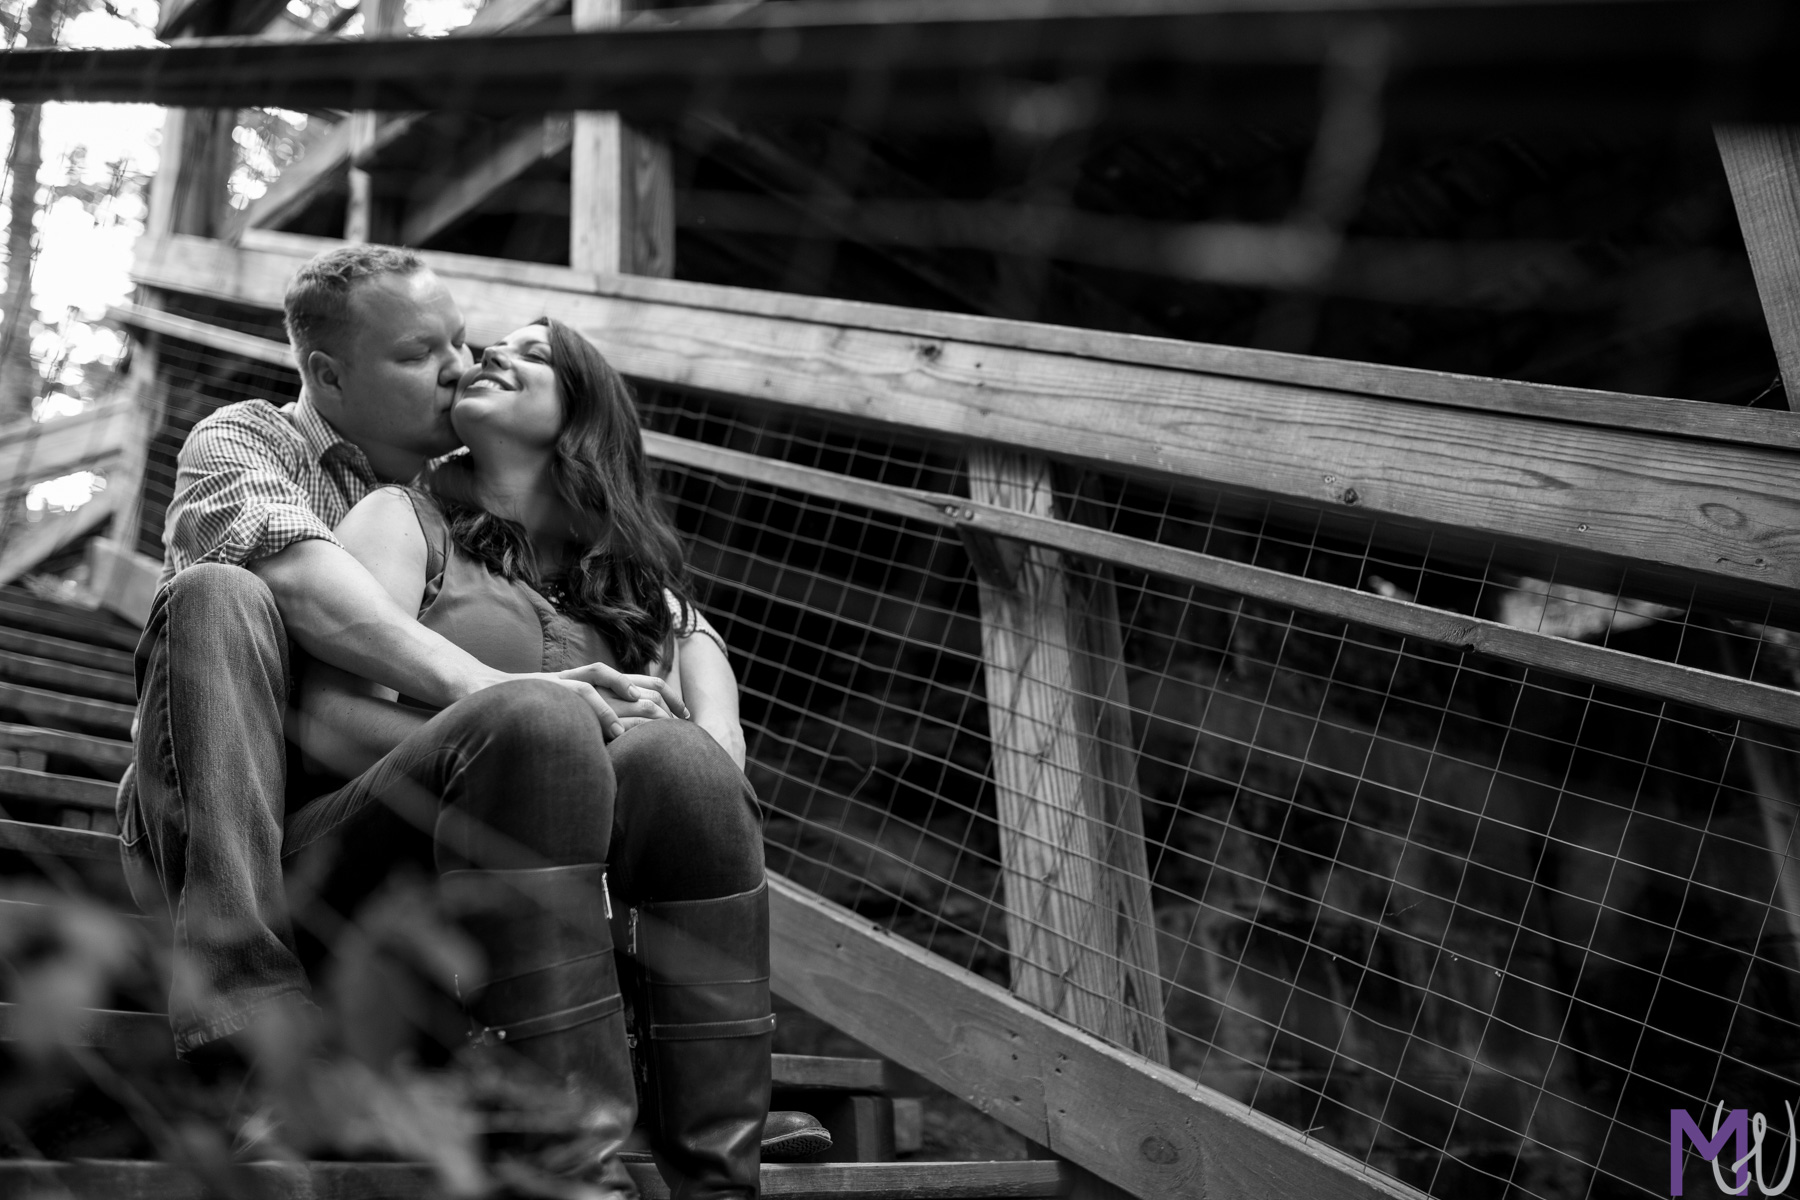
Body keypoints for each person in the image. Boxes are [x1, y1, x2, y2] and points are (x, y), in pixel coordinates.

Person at [118, 245, 822, 1193]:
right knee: (220, 592)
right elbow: (311, 611)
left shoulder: (494, 505)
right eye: (421, 354)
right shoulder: (262, 448)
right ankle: (254, 1034)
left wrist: (702, 717)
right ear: (328, 374)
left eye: (463, 341)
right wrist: (504, 701)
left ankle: (674, 1111)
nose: (460, 365)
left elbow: (667, 612)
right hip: (244, 811)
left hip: (438, 841)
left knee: (653, 766)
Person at [286, 315, 797, 1197]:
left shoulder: (632, 587)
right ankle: (570, 1176)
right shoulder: (402, 517)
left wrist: (707, 742)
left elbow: (711, 711)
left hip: (556, 906)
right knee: (539, 720)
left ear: (584, 414)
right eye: (492, 349)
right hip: (367, 866)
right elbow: (326, 721)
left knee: (680, 767)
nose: (491, 357)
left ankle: (718, 1177)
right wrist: (521, 732)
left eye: (532, 354)